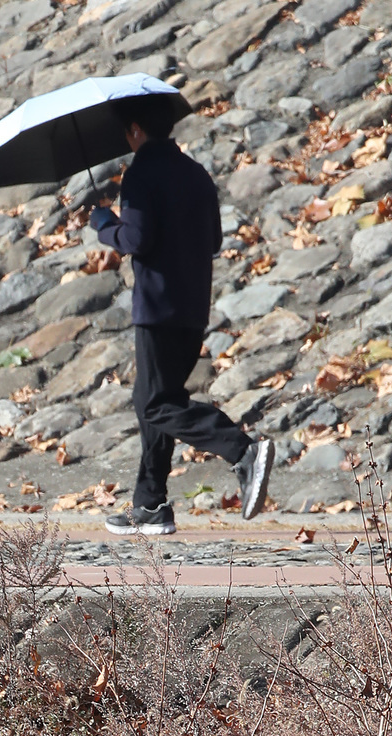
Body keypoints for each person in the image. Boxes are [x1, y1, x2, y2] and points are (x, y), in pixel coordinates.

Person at [89, 96, 274, 537]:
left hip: (156, 307)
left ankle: (241, 449)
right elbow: (212, 240)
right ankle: (150, 504)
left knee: (152, 403)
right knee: (159, 400)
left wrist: (102, 223)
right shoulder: (196, 173)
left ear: (135, 130)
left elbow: (135, 238)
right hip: (193, 307)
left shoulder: (139, 175)